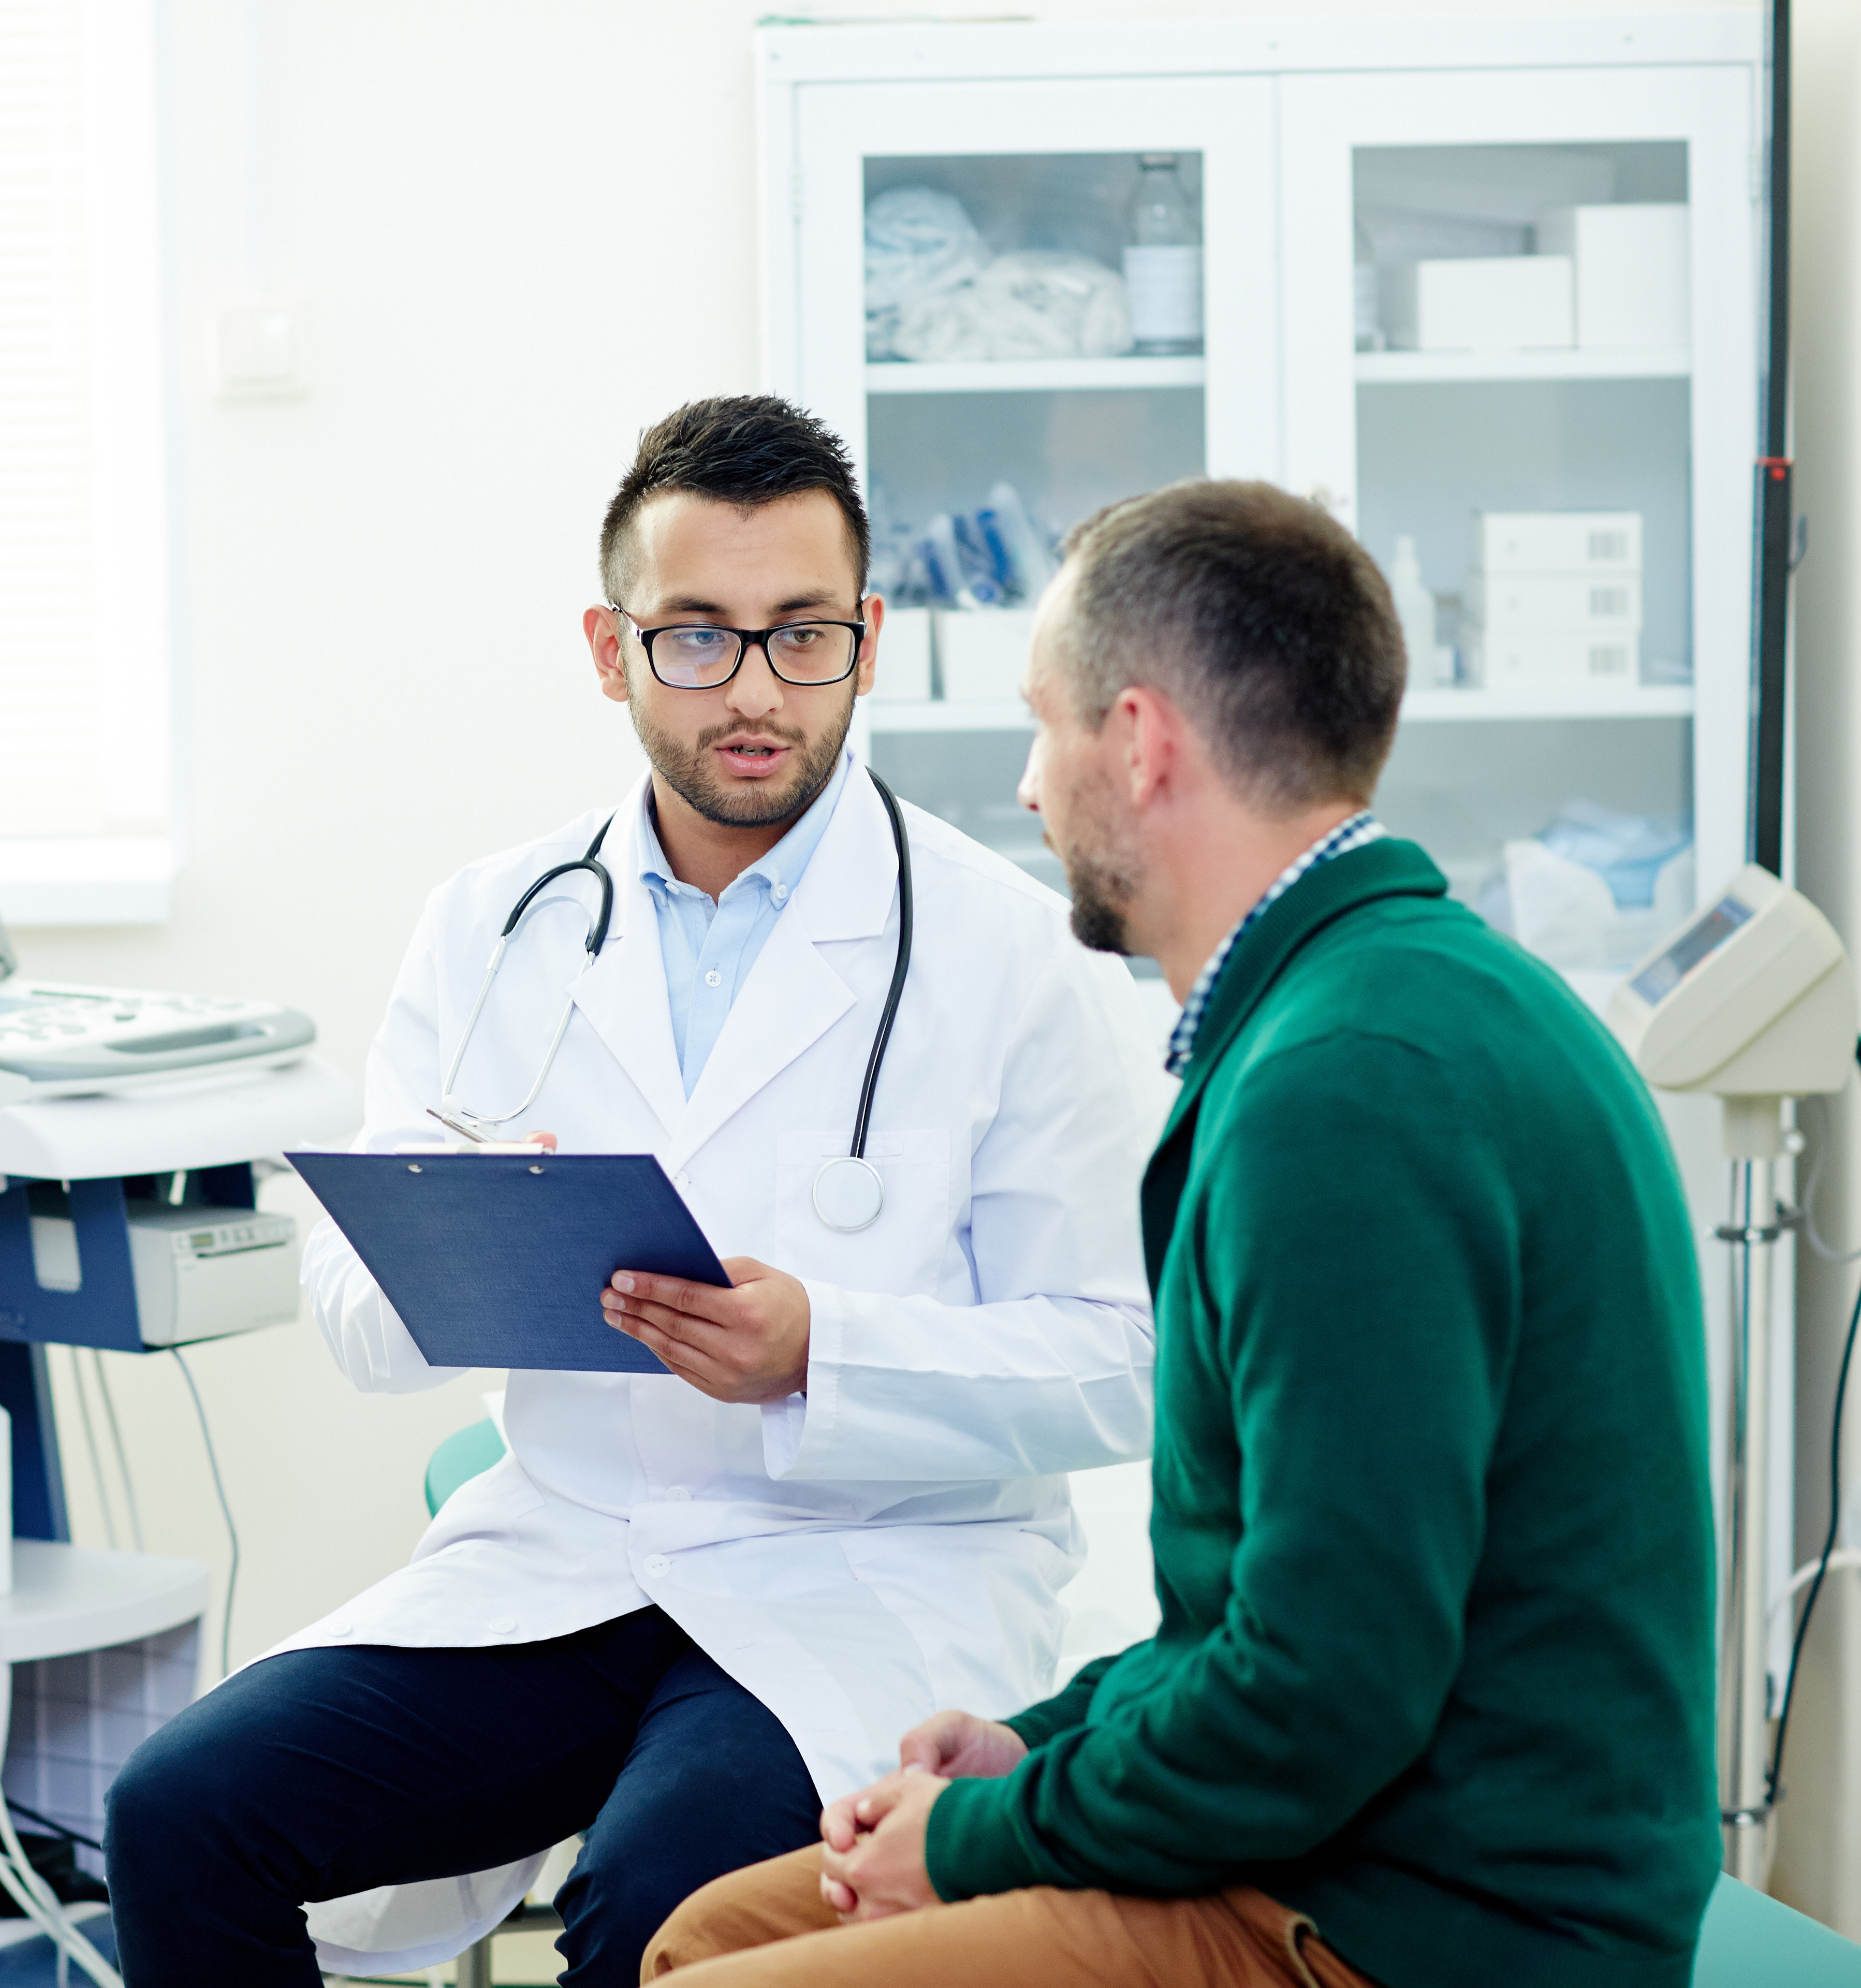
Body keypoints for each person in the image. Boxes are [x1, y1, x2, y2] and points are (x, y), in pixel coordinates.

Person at [103, 395, 1165, 1986]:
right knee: (181, 1811)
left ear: (868, 640)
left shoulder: (1012, 953)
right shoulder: (491, 925)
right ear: (611, 651)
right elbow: (348, 1305)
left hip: (872, 1569)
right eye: (695, 638)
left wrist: (827, 1350)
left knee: (658, 1909)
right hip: (572, 1549)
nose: (753, 691)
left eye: (802, 636)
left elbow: (1121, 1356)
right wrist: (458, 1238)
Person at [641, 478, 1719, 1987]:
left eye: (1044, 726)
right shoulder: (1381, 1006)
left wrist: (971, 1840)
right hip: (1346, 1835)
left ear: (1138, 744)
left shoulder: (1347, 1093)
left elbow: (1322, 1694)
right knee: (706, 1931)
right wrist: (1037, 1745)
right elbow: (1263, 1616)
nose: (1027, 788)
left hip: (1427, 1920)